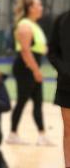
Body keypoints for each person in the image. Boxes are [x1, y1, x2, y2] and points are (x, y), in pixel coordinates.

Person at [6, 0, 52, 145]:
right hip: (26, 68)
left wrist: (44, 50)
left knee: (38, 101)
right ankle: (12, 134)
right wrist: (36, 71)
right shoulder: (25, 25)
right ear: (30, 8)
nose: (41, 8)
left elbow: (37, 47)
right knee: (22, 101)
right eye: (38, 5)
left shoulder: (35, 25)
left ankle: (42, 136)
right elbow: (25, 51)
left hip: (32, 66)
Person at [48, 10, 70, 167]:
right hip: (66, 84)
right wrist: (65, 71)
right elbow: (52, 52)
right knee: (69, 131)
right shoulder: (62, 19)